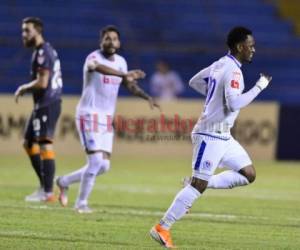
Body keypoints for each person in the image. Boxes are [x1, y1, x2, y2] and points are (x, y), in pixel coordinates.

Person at [150, 26, 272, 248]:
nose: (253, 50)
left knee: (248, 173)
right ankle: (163, 227)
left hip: (224, 137)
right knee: (198, 186)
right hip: (209, 135)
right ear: (239, 46)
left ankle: (198, 181)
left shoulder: (219, 64)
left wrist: (214, 98)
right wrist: (259, 87)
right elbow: (234, 103)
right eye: (250, 46)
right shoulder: (234, 71)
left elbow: (194, 82)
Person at [56, 25, 160, 213]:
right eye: (107, 38)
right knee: (95, 162)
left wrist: (146, 97)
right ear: (101, 41)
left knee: (103, 166)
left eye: (114, 39)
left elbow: (129, 84)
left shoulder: (121, 62)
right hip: (88, 114)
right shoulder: (93, 58)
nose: (111, 42)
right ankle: (81, 204)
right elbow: (100, 69)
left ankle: (63, 181)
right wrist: (124, 74)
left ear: (119, 43)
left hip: (106, 118)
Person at [15, 17, 63, 202]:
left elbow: (43, 82)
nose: (24, 34)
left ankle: (49, 192)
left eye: (27, 30)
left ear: (38, 32)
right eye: (23, 30)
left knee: (44, 144)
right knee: (28, 143)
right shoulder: (42, 51)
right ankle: (45, 186)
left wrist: (23, 88)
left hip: (47, 103)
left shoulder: (43, 52)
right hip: (42, 104)